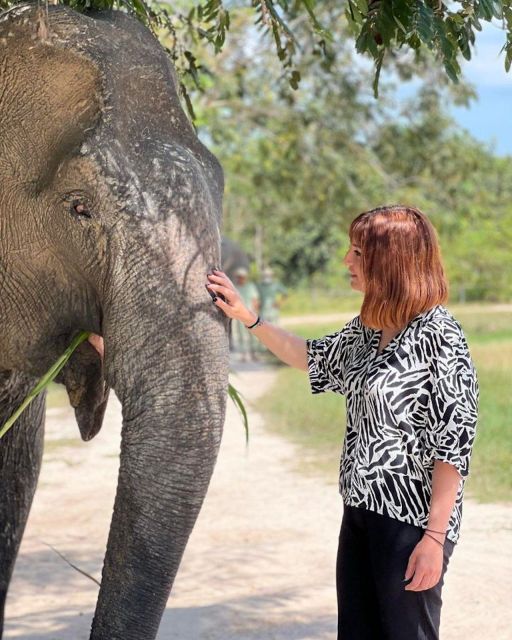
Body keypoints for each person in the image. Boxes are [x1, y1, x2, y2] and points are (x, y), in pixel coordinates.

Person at [206, 204, 479, 640]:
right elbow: (309, 356)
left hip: (409, 525)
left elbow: (454, 448)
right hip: (359, 512)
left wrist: (434, 539)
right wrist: (248, 318)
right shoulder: (369, 329)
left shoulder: (440, 336)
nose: (346, 262)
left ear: (390, 259)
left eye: (357, 252)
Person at [230, 266, 260, 362]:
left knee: (253, 334)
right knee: (240, 334)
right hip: (238, 314)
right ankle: (243, 354)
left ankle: (253, 353)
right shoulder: (235, 287)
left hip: (249, 313)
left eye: (242, 276)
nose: (240, 278)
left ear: (245, 277)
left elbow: (255, 300)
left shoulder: (250, 286)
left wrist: (256, 313)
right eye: (238, 276)